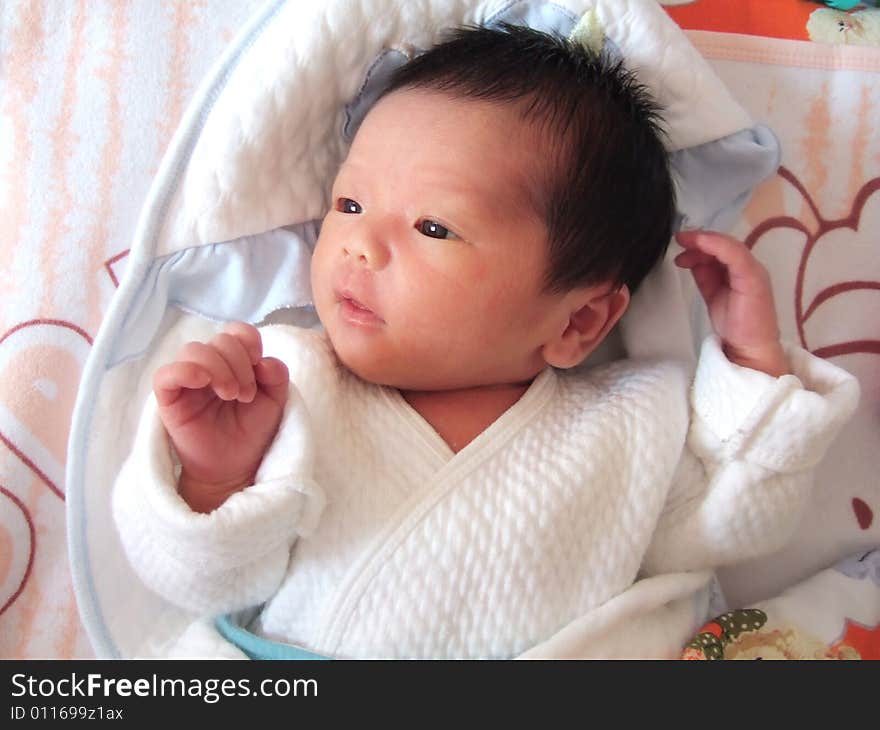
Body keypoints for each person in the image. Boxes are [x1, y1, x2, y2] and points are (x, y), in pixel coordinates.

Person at [113, 25, 858, 659]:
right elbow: (203, 585)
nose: (358, 244)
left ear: (577, 323)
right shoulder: (282, 384)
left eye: (433, 227)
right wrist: (214, 478)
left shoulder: (635, 419)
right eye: (349, 202)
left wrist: (750, 364)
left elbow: (743, 516)